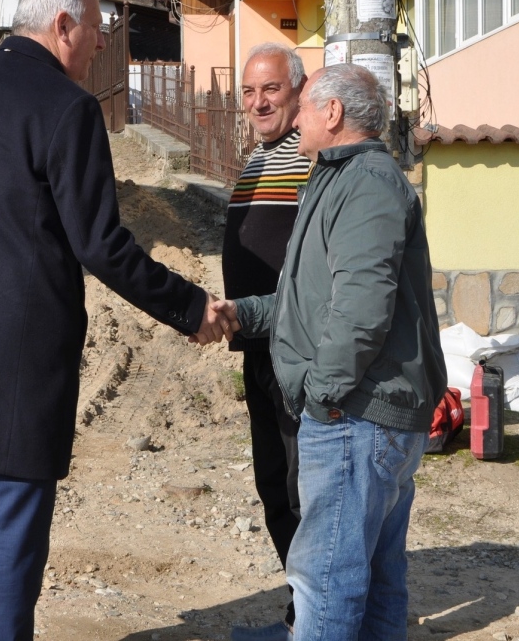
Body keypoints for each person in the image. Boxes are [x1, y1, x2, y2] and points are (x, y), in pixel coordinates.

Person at [0, 0, 238, 641]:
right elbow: (102, 244)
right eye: (96, 32)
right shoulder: (66, 108)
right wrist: (191, 306)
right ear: (61, 26)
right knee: (13, 552)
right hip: (16, 364)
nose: (98, 47)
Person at [214, 64, 447, 641]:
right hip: (362, 409)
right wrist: (243, 314)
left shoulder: (366, 181)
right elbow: (305, 297)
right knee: (374, 572)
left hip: (357, 413)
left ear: (334, 114)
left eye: (305, 107)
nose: (295, 115)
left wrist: (320, 396)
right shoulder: (338, 178)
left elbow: (360, 312)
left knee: (327, 577)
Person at [222, 44, 313, 641]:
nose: (258, 102)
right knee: (272, 482)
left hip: (296, 353)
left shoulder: (310, 160)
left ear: (298, 92)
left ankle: (318, 616)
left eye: (271, 90)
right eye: (250, 92)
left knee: (303, 487)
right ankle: (302, 609)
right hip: (258, 350)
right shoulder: (255, 159)